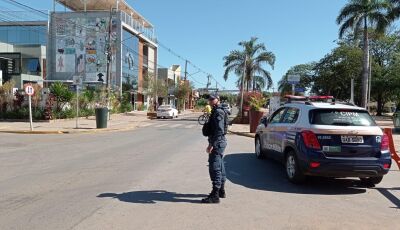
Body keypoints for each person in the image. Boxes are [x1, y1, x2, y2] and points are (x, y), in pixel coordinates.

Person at [202, 94, 228, 204]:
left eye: (213, 99)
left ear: (218, 100)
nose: (210, 100)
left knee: (215, 167)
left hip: (217, 143)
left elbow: (219, 130)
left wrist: (212, 144)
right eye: (210, 99)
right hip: (218, 142)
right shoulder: (216, 110)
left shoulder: (218, 112)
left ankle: (215, 195)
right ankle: (221, 190)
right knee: (220, 166)